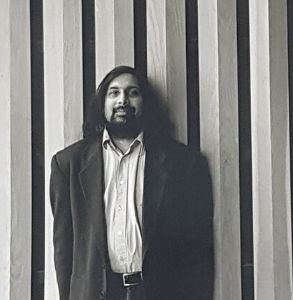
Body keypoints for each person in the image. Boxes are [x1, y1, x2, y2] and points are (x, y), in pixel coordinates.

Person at [49, 66, 213, 300]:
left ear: (145, 102)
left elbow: (198, 249)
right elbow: (63, 249)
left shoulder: (184, 164)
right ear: (102, 104)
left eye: (132, 92)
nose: (122, 100)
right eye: (113, 93)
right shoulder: (68, 165)